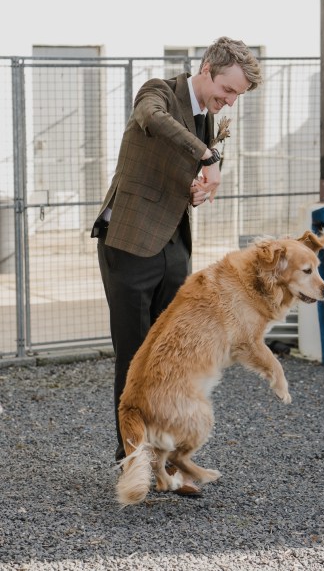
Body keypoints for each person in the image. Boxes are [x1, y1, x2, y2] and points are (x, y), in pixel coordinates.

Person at [91, 36, 263, 465]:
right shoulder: (158, 91)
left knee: (172, 357)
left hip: (174, 246)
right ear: (207, 68)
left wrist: (193, 190)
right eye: (227, 90)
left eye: (237, 96)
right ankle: (132, 456)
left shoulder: (207, 116)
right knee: (135, 357)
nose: (230, 102)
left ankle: (168, 456)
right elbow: (153, 119)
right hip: (130, 243)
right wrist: (207, 157)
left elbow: (171, 167)